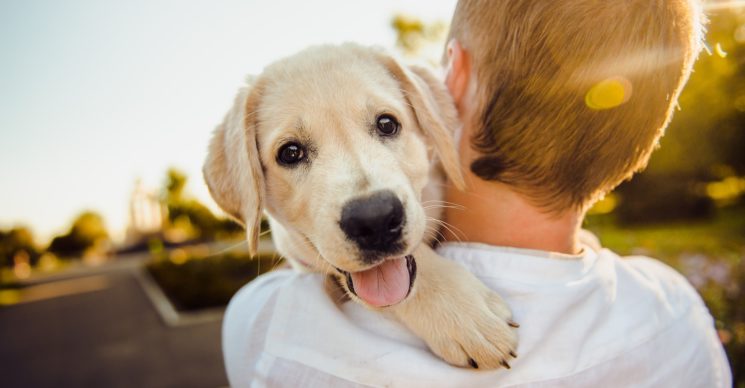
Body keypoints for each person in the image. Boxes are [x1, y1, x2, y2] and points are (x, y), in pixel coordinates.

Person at [222, 0, 732, 386]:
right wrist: (423, 286)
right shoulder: (679, 317)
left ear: (451, 83)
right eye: (293, 154)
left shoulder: (269, 329)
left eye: (384, 124)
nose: (369, 199)